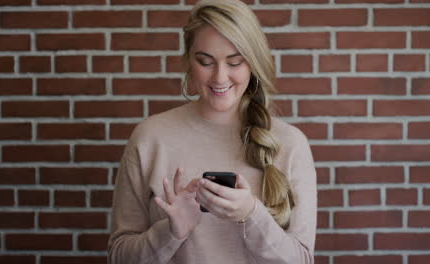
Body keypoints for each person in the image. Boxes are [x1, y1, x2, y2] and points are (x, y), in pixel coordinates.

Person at [108, 0, 317, 263]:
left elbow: (301, 260)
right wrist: (171, 232)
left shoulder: (291, 144)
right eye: (205, 61)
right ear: (188, 61)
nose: (219, 77)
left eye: (234, 62)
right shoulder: (150, 138)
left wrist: (251, 214)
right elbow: (118, 256)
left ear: (253, 64)